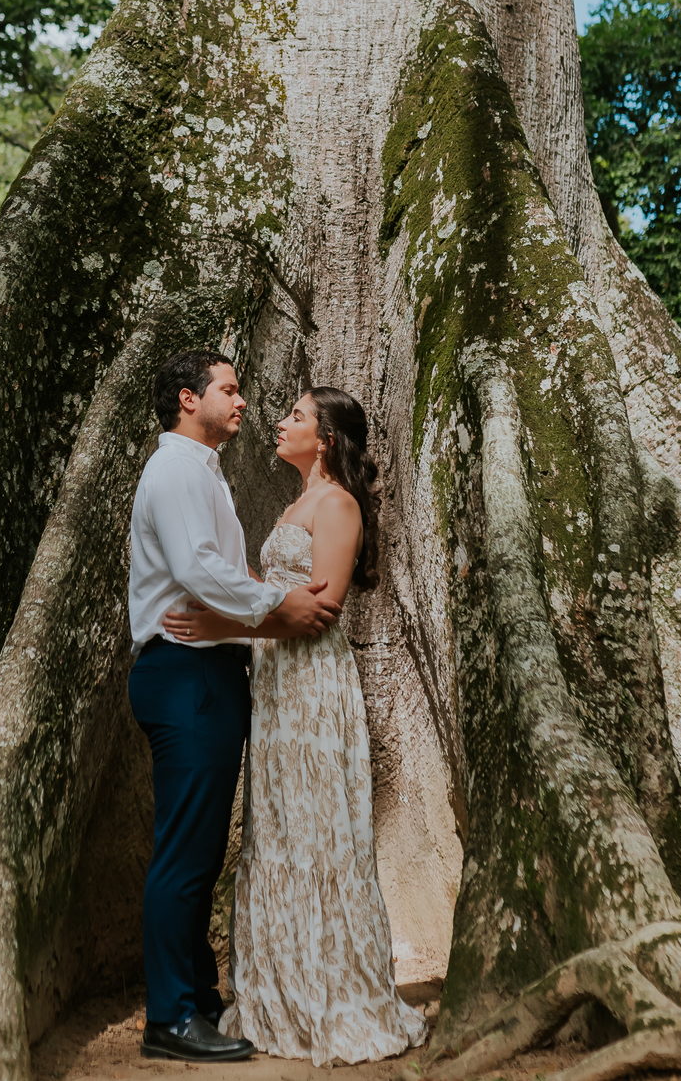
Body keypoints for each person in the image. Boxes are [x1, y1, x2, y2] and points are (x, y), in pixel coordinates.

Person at [164, 387, 427, 1065]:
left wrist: (221, 625)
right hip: (276, 687)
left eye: (298, 417)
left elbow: (321, 611)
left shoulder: (337, 505)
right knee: (279, 830)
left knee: (316, 832)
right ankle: (279, 995)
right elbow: (277, 596)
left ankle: (331, 996)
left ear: (327, 439)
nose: (282, 423)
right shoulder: (294, 505)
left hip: (312, 688)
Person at [128, 349, 343, 1064]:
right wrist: (280, 604)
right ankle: (169, 1018)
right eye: (229, 388)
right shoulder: (176, 470)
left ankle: (198, 998)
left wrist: (258, 613)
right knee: (185, 854)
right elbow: (198, 570)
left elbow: (223, 568)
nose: (242, 400)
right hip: (184, 672)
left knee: (198, 850)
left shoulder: (205, 472)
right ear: (189, 399)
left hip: (209, 672)